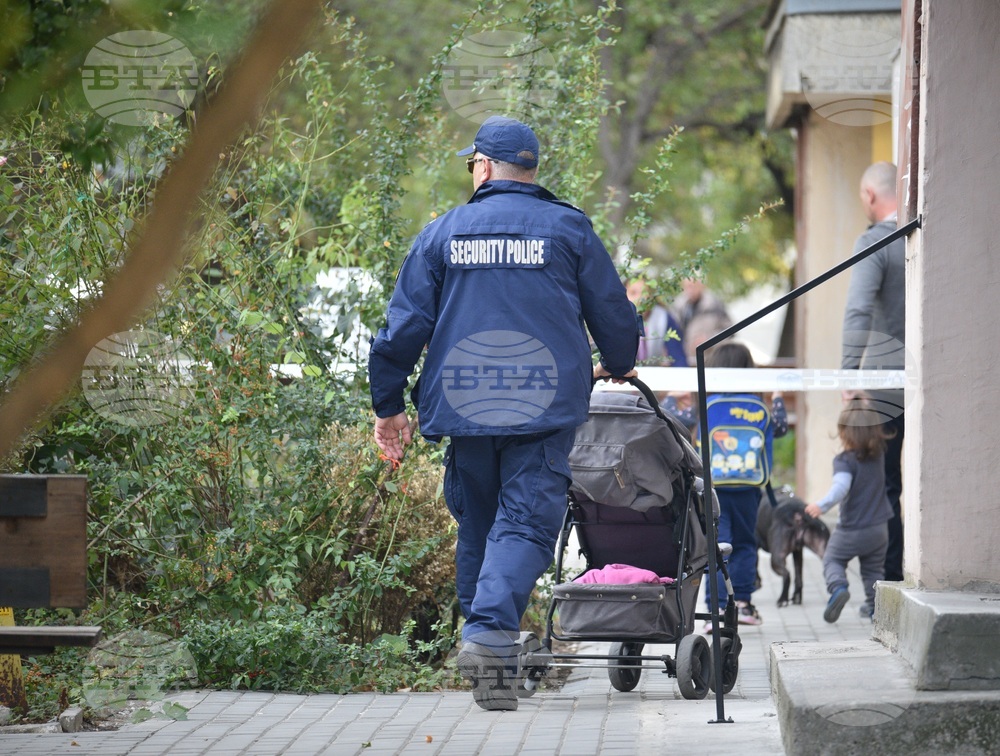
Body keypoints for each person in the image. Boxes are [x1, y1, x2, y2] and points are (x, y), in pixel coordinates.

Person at [368, 115, 640, 711]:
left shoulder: (442, 233)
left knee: (482, 526)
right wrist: (619, 361)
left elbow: (401, 328)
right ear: (530, 169)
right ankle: (490, 638)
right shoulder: (568, 229)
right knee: (523, 526)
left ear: (485, 168)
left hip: (464, 406)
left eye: (472, 164)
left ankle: (489, 660)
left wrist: (388, 405)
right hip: (541, 407)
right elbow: (613, 313)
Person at [841, 161, 905, 582]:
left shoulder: (876, 242)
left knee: (882, 487)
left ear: (870, 195)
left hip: (886, 386)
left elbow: (859, 308)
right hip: (932, 380)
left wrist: (847, 373)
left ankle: (886, 580)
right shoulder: (922, 237)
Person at [699, 341, 787, 629]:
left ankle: (716, 608)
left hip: (715, 488)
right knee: (746, 543)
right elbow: (774, 439)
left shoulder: (708, 406)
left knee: (718, 546)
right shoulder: (758, 408)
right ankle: (744, 604)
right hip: (749, 488)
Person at [805, 400, 894, 622]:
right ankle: (876, 609)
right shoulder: (879, 456)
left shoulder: (844, 460)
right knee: (873, 571)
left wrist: (822, 505)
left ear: (844, 432)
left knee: (832, 559)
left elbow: (840, 488)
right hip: (879, 530)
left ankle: (838, 588)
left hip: (851, 530)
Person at [626, 277, 687, 366]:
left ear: (650, 296)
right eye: (633, 293)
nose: (639, 298)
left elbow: (678, 357)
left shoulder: (663, 317)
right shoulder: (616, 321)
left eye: (643, 293)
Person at [669, 278, 732, 364]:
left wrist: (709, 340)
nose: (690, 290)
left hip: (711, 361)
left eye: (693, 286)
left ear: (702, 286)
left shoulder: (715, 304)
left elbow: (730, 332)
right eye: (687, 286)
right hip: (685, 361)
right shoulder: (678, 306)